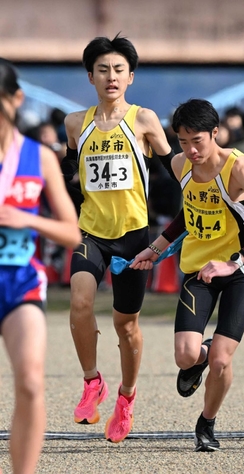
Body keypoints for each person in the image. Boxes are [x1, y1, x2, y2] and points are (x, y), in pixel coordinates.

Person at [130, 99, 244, 451]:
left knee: (221, 361)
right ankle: (209, 353)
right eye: (182, 141)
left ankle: (206, 423)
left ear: (215, 133)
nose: (190, 149)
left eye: (197, 140)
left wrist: (234, 261)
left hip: (242, 271)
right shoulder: (182, 164)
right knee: (186, 356)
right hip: (199, 270)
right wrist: (154, 250)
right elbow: (189, 212)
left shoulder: (239, 168)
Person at [61, 33, 174, 443]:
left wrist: (196, 200)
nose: (111, 77)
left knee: (126, 325)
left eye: (119, 70)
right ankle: (93, 382)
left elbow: (173, 167)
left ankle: (126, 397)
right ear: (90, 76)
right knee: (79, 301)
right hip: (91, 232)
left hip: (134, 238)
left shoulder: (144, 120)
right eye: (103, 70)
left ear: (131, 77)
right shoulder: (76, 123)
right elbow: (67, 176)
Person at [0, 58, 81, 474]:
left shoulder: (38, 157)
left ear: (15, 100)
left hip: (19, 281)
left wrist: (27, 218)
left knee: (31, 382)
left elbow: (72, 233)